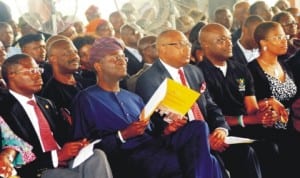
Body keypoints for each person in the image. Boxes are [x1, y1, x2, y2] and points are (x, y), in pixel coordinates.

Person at [72, 37, 223, 178]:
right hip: (128, 158)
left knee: (198, 126)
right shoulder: (86, 99)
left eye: (123, 57)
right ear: (98, 66)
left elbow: (152, 133)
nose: (122, 61)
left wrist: (167, 131)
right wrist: (123, 135)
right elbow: (85, 147)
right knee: (206, 162)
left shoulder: (134, 98)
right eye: (115, 57)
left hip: (155, 148)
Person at [0, 53, 113, 178]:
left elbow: (63, 137)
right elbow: (18, 150)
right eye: (32, 71)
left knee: (97, 155)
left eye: (39, 70)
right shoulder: (4, 108)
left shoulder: (46, 103)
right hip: (37, 168)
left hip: (64, 160)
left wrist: (78, 145)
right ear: (12, 75)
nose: (38, 75)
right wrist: (56, 156)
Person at [247, 21, 300, 178]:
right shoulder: (251, 70)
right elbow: (247, 106)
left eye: (285, 37)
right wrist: (268, 102)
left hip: (292, 128)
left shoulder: (286, 65)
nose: (284, 41)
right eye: (278, 37)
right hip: (267, 133)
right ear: (263, 43)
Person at [41, 36, 90, 120]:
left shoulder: (88, 83)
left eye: (76, 52)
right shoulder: (50, 95)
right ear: (53, 59)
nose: (75, 57)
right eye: (67, 54)